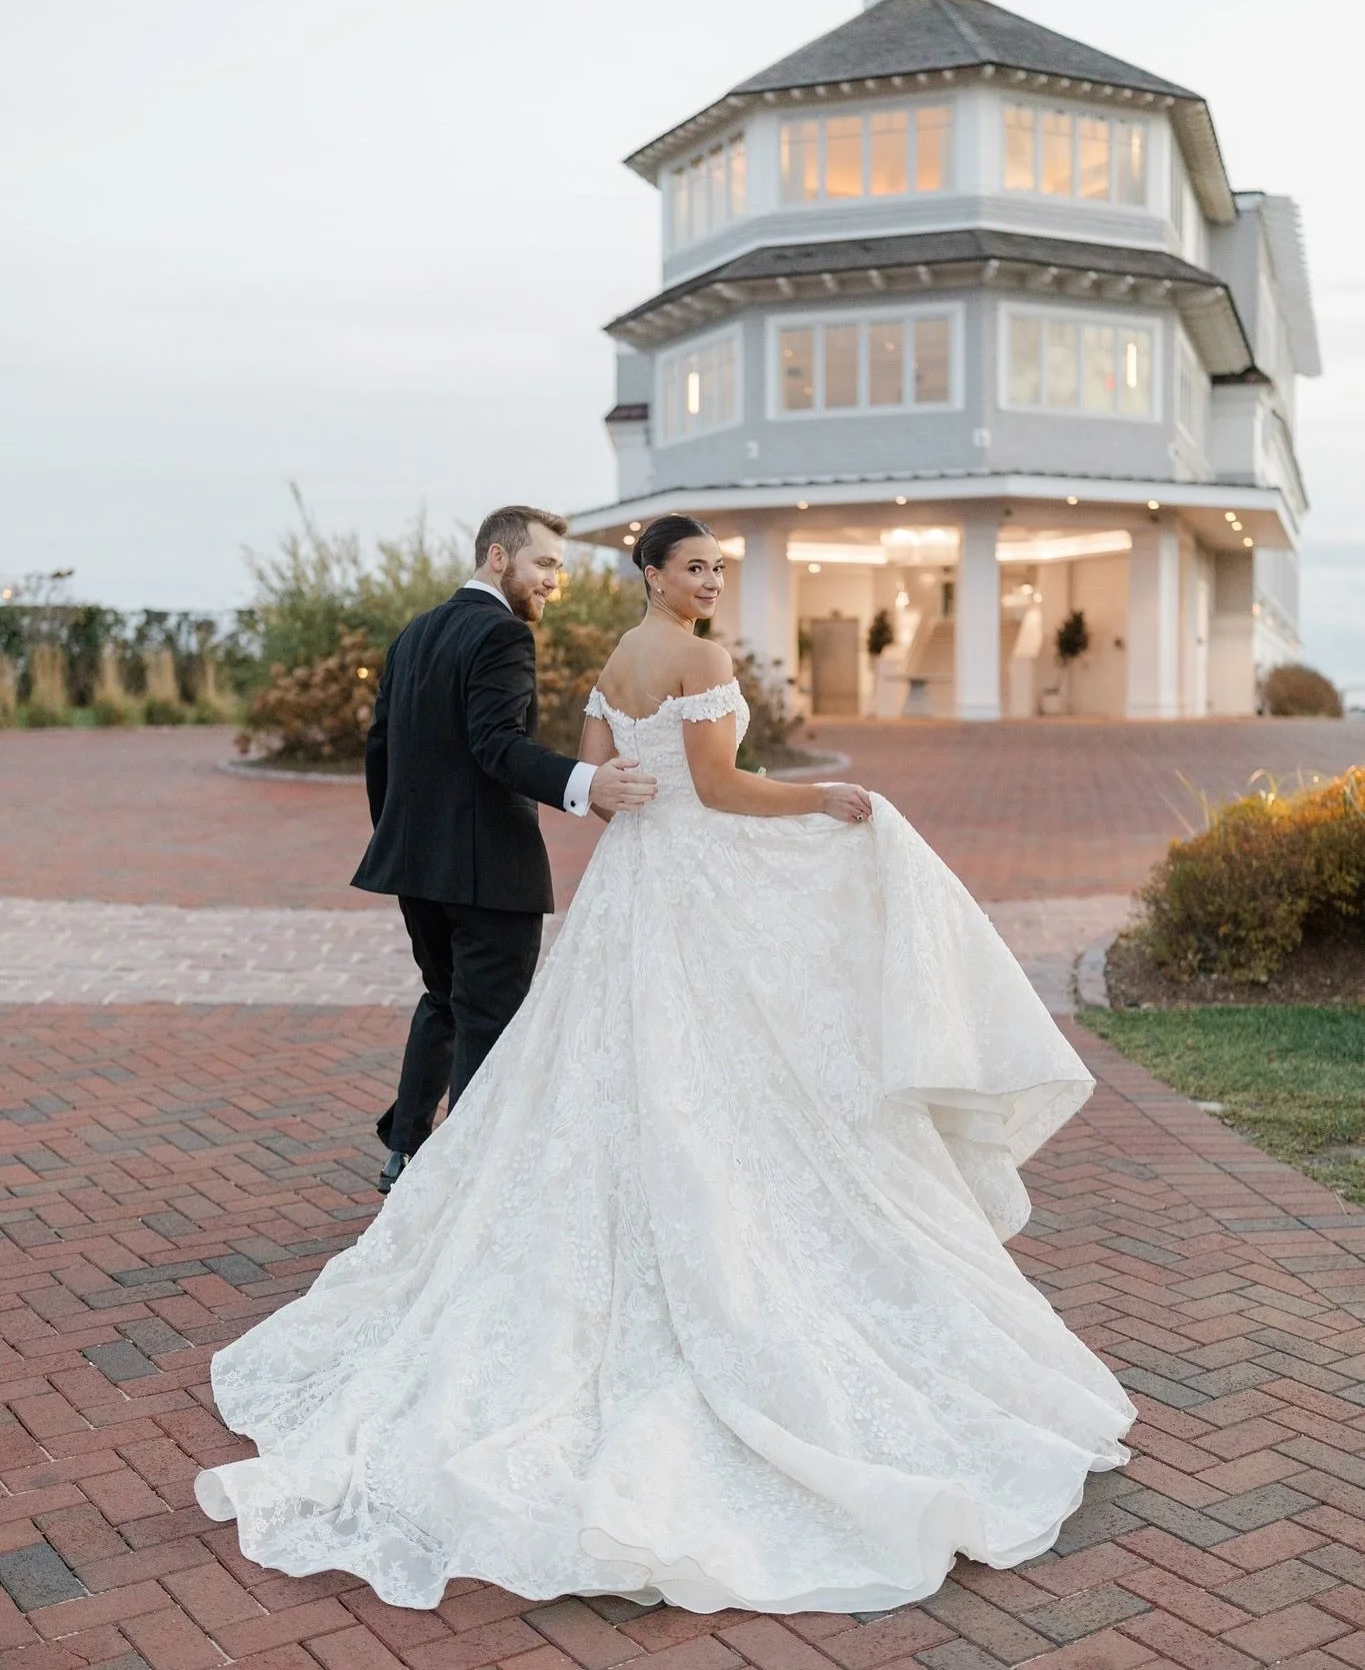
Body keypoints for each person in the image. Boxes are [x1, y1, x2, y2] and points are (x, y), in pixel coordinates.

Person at [197, 513, 1135, 1615]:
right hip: (687, 880)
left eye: (719, 569)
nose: (711, 582)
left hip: (632, 884)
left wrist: (627, 793)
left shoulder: (611, 660)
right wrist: (819, 799)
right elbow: (724, 787)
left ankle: (423, 1152)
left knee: (596, 1065)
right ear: (652, 571)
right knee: (722, 1072)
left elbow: (604, 778)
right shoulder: (694, 656)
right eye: (695, 566)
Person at [351, 505, 656, 1194]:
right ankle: (462, 1186)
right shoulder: (501, 635)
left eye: (558, 567)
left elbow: (380, 749)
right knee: (488, 1021)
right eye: (543, 564)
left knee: (443, 1001)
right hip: (487, 870)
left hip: (413, 862)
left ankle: (403, 1155)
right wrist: (590, 782)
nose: (554, 581)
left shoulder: (415, 633)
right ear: (498, 557)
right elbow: (497, 748)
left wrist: (397, 835)